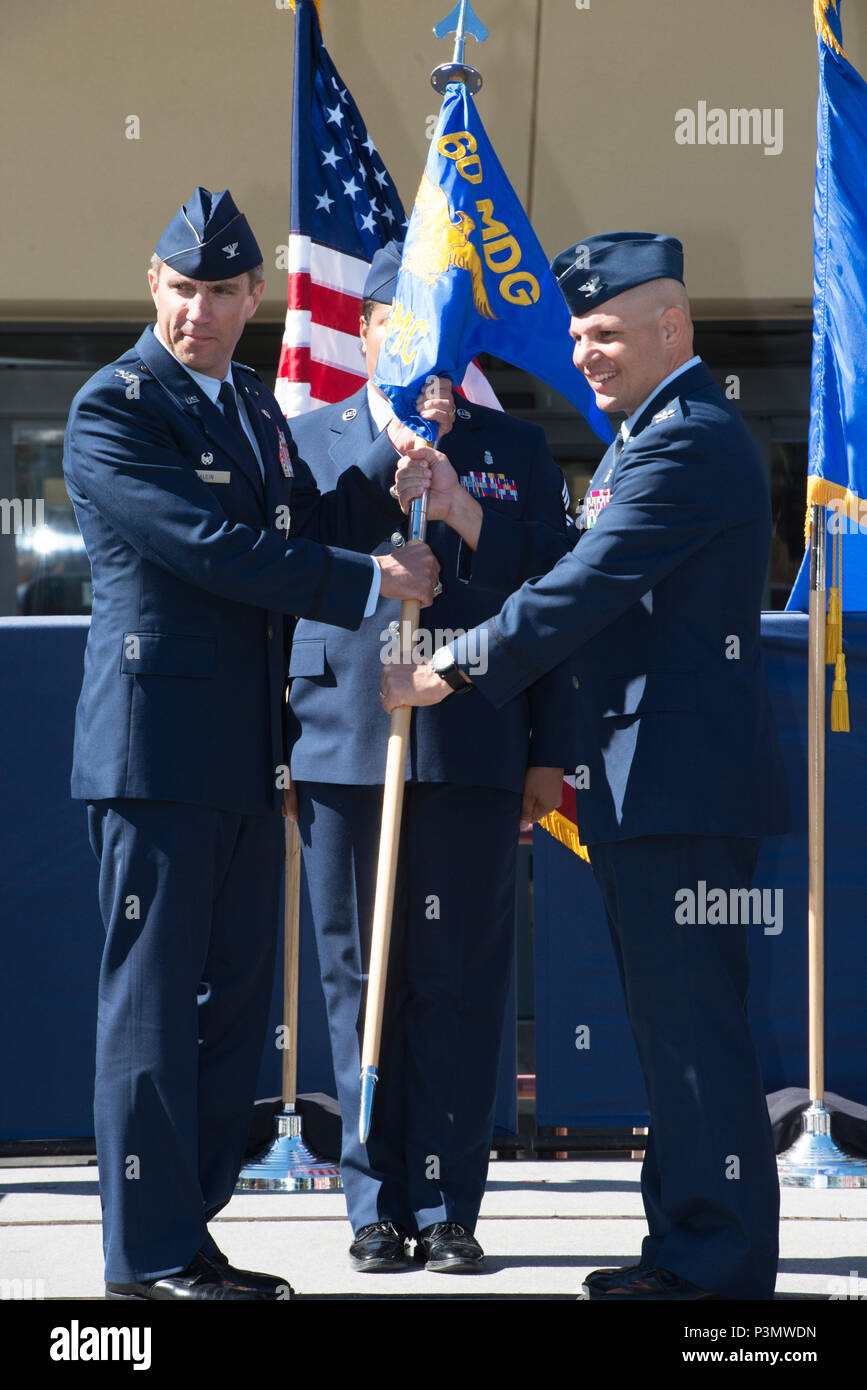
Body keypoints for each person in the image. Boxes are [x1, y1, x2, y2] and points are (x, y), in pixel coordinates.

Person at [383, 231, 790, 1301]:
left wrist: (454, 670)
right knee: (673, 1025)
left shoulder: (687, 439)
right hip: (649, 782)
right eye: (575, 331)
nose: (584, 350)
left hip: (679, 786)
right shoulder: (647, 435)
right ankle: (686, 1246)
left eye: (604, 331)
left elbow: (583, 588)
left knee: (693, 1024)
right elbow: (578, 575)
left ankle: (719, 1264)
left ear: (673, 329)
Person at [63, 188, 440, 1301]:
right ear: (153, 284)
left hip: (241, 755)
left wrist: (385, 475)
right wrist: (368, 575)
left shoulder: (255, 409)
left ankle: (189, 1229)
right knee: (151, 1008)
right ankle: (143, 1257)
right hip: (152, 755)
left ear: (254, 296)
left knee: (232, 1013)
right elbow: (211, 548)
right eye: (183, 289)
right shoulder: (114, 406)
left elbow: (297, 526)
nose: (199, 312)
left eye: (223, 291)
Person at [284, 241, 571, 1273]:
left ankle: (450, 1199)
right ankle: (372, 1201)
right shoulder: (307, 437)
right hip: (343, 746)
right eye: (402, 329)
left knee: (459, 979)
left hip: (472, 745)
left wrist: (463, 511)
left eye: (446, 334)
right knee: (358, 978)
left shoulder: (517, 450)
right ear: (362, 331)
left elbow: (555, 592)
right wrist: (386, 472)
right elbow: (285, 567)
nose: (428, 355)